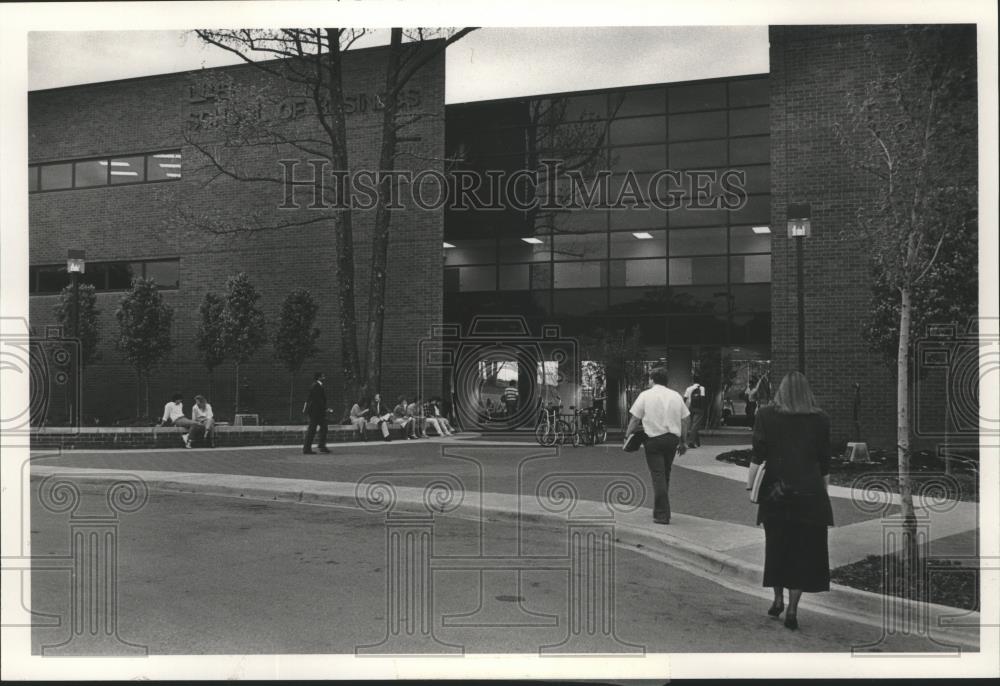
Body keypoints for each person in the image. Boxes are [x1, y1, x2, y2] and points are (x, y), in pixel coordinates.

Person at [746, 371, 833, 631]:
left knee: (777, 548)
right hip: (810, 494)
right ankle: (794, 609)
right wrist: (822, 493)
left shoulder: (765, 415)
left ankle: (777, 600)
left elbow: (757, 455)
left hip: (776, 491)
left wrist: (752, 487)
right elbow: (825, 463)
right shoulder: (821, 419)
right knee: (804, 553)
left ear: (781, 390)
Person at [625, 367, 689, 525]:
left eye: (649, 379)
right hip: (672, 440)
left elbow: (635, 419)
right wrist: (683, 441)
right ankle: (663, 509)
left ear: (652, 379)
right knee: (665, 473)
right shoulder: (675, 396)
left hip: (653, 440)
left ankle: (662, 514)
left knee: (658, 475)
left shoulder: (645, 395)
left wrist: (627, 436)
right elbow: (685, 420)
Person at [302, 371, 332, 454]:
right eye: (323, 376)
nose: (324, 378)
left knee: (323, 427)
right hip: (315, 413)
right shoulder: (316, 386)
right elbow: (317, 400)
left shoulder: (317, 385)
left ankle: (321, 446)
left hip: (317, 412)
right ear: (319, 377)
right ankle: (307, 449)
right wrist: (325, 409)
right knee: (312, 430)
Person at [683, 375, 707, 449]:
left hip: (691, 408)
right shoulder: (702, 388)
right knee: (695, 425)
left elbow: (684, 399)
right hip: (699, 408)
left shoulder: (689, 388)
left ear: (693, 381)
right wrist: (703, 409)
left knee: (693, 425)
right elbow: (702, 399)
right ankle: (691, 442)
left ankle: (697, 442)